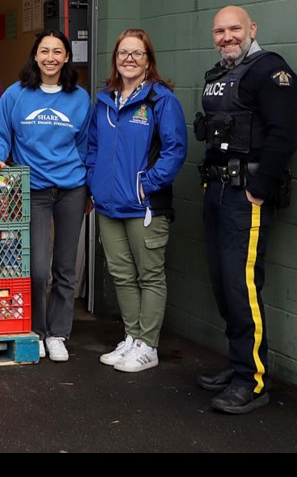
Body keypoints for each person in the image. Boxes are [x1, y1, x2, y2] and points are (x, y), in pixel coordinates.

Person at [194, 6, 297, 414]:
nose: (227, 36)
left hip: (245, 196)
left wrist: (258, 189)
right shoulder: (221, 73)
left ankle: (252, 381)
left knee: (241, 288)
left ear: (252, 29)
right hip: (217, 191)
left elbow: (285, 136)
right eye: (219, 31)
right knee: (224, 285)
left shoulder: (271, 71)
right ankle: (239, 363)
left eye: (235, 28)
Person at [0, 29, 91, 362]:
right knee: (38, 268)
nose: (50, 57)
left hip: (72, 188)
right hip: (34, 189)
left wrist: (88, 187)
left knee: (64, 266)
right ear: (35, 55)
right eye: (44, 51)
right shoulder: (16, 95)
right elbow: (0, 131)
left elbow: (86, 145)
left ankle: (59, 333)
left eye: (57, 51)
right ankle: (37, 330)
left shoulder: (80, 98)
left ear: (67, 57)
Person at [86, 29, 187, 373]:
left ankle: (148, 345)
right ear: (115, 59)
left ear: (148, 61)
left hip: (144, 206)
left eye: (137, 53)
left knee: (149, 274)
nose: (129, 59)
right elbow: (93, 148)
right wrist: (94, 184)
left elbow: (175, 151)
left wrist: (148, 185)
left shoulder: (161, 100)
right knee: (121, 274)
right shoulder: (103, 100)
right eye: (123, 53)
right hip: (108, 205)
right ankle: (131, 338)